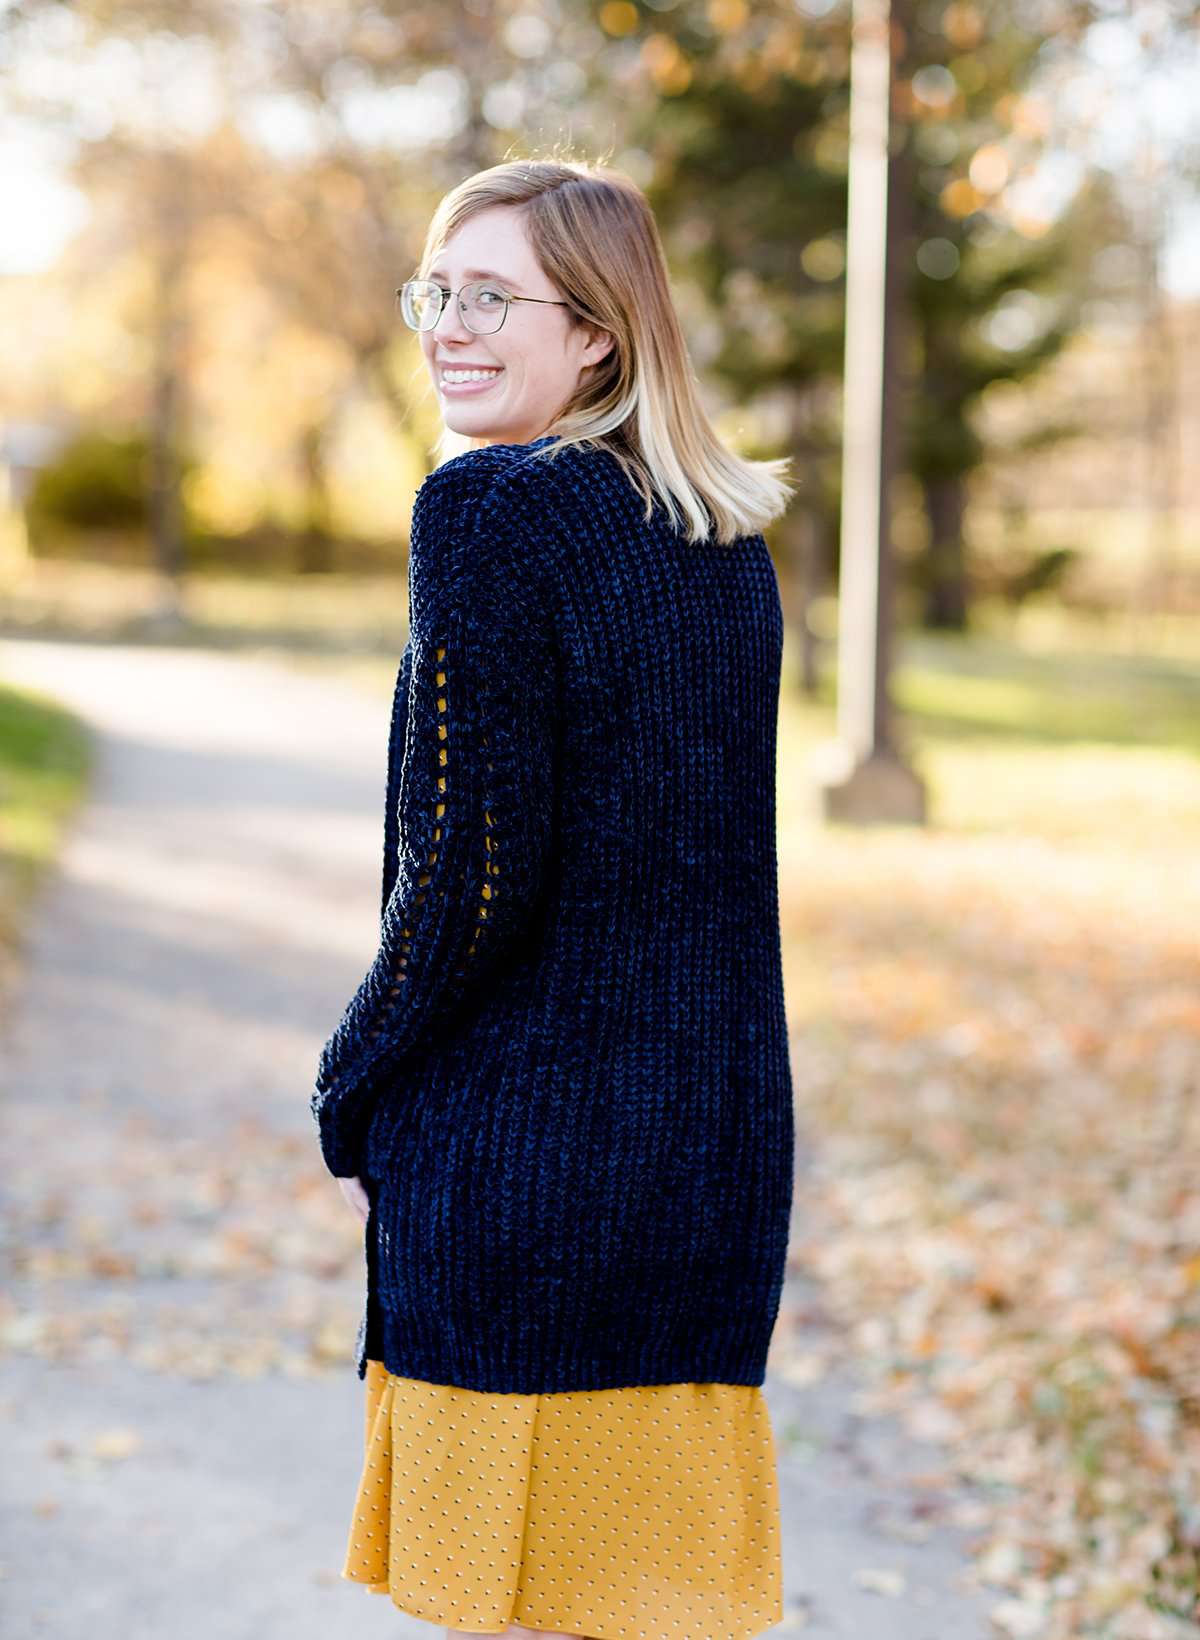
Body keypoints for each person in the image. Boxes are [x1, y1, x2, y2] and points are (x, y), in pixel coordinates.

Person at [310, 157, 798, 1640]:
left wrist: (353, 1078)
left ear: (596, 329)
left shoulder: (487, 518)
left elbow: (467, 877)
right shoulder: (724, 544)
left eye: (489, 296)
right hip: (711, 1169)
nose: (448, 325)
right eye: (435, 293)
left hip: (526, 1173)